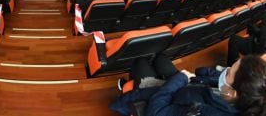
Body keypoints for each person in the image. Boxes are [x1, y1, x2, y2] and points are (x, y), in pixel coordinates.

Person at [110, 54, 266, 116]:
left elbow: (156, 112)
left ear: (233, 93)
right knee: (160, 58)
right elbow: (212, 76)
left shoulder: (202, 112)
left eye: (229, 72)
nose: (224, 72)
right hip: (187, 87)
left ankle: (130, 87)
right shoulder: (235, 94)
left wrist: (179, 80)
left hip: (167, 97)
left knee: (140, 62)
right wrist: (199, 74)